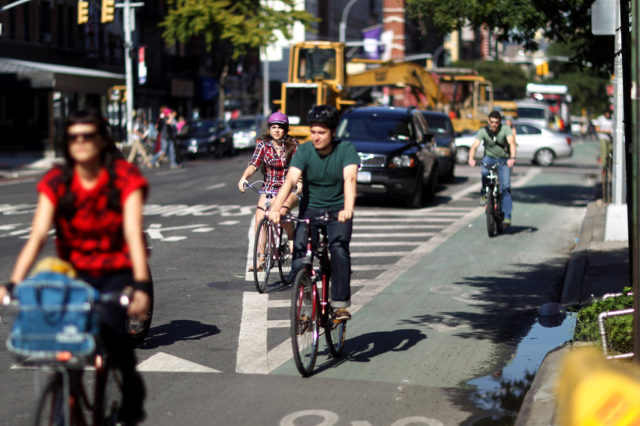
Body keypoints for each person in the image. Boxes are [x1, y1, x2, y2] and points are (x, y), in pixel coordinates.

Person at [0, 109, 151, 424]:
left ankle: (131, 392)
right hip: (74, 275)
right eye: (73, 137)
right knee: (62, 341)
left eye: (87, 136)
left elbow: (133, 235)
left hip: (114, 273)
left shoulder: (123, 178)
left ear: (101, 140)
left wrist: (139, 286)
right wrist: (12, 284)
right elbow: (38, 235)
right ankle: (68, 404)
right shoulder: (57, 181)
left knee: (113, 336)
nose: (80, 143)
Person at [269, 105, 359, 321]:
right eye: (313, 132)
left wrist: (348, 208)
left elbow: (350, 179)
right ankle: (307, 307)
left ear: (333, 132)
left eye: (322, 132)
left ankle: (339, 305)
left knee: (338, 250)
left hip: (338, 211)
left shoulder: (345, 149)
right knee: (300, 255)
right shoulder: (306, 151)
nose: (316, 137)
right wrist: (276, 208)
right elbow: (290, 179)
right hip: (311, 210)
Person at [238, 112, 300, 271]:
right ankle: (260, 259)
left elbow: (299, 167)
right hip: (269, 186)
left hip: (288, 187)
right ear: (269, 129)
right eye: (273, 127)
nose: (277, 130)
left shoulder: (293, 145)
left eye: (280, 127)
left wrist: (299, 182)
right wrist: (244, 177)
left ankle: (291, 234)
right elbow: (254, 164)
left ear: (285, 129)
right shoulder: (262, 145)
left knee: (280, 214)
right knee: (260, 217)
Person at [468, 110, 517, 227]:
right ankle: (485, 194)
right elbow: (474, 145)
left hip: (503, 159)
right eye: (492, 122)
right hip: (489, 158)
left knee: (505, 187)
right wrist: (471, 158)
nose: (494, 124)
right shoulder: (483, 131)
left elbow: (512, 143)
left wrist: (512, 158)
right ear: (488, 122)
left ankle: (506, 216)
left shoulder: (505, 129)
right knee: (484, 173)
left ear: (500, 123)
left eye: (496, 122)